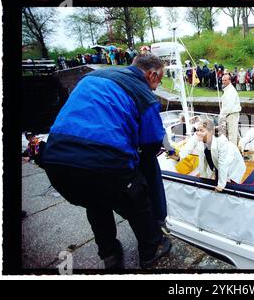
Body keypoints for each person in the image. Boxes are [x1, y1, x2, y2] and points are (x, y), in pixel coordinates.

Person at [41, 55, 171, 270]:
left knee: (95, 201)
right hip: (104, 163)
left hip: (56, 161)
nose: (157, 86)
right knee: (138, 200)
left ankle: (109, 253)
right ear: (152, 74)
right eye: (159, 81)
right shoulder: (143, 94)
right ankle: (152, 249)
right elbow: (152, 144)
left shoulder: (91, 77)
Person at [189, 119, 246, 192]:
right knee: (217, 176)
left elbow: (223, 164)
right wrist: (203, 181)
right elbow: (202, 162)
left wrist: (221, 185)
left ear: (210, 132)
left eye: (201, 131)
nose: (198, 133)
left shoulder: (221, 141)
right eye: (197, 130)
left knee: (233, 186)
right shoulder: (201, 141)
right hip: (217, 163)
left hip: (234, 163)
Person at [220, 73, 241, 147]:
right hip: (230, 115)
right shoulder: (227, 90)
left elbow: (228, 107)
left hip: (231, 115)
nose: (223, 82)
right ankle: (240, 148)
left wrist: (222, 116)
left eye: (225, 80)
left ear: (229, 80)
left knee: (232, 135)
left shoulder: (230, 91)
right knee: (235, 134)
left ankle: (233, 154)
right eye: (222, 80)